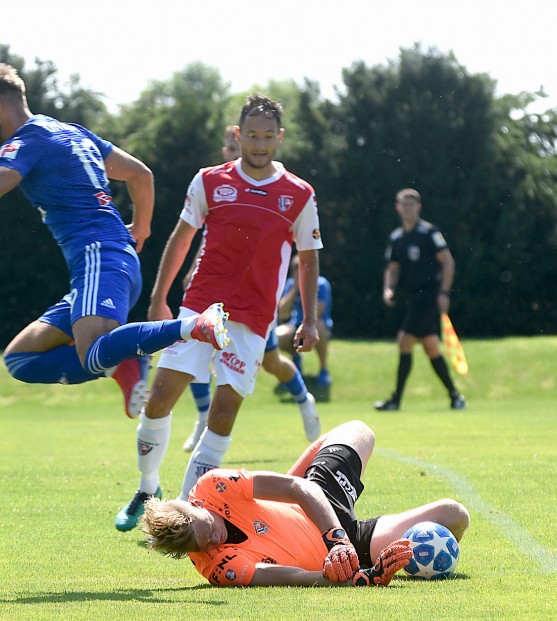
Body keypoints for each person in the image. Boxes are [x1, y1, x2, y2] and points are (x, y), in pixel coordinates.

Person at [0, 64, 229, 419]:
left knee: (93, 351)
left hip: (99, 259)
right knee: (21, 359)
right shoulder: (71, 132)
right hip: (107, 262)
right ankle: (120, 364)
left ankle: (193, 326)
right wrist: (141, 227)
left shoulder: (29, 140)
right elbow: (140, 175)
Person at [114, 94, 323, 531]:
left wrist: (308, 318)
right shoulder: (209, 181)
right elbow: (181, 238)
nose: (260, 143)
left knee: (223, 413)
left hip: (254, 318)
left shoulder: (299, 194)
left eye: (268, 136)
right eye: (252, 135)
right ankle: (147, 487)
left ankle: (186, 509)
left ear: (279, 138)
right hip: (199, 307)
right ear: (238, 135)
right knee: (159, 399)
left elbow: (308, 256)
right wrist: (159, 298)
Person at [140, 419, 470, 587]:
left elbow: (298, 487)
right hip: (353, 550)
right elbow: (297, 577)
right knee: (455, 517)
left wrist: (335, 538)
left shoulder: (213, 486)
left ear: (195, 504)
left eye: (209, 529)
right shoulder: (219, 568)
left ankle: (306, 501)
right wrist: (362, 576)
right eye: (204, 545)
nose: (214, 540)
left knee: (359, 430)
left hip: (319, 503)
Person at [181, 126, 320, 454]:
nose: (232, 152)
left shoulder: (280, 191)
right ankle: (203, 418)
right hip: (214, 293)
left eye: (234, 147)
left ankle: (304, 401)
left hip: (254, 301)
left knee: (274, 363)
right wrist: (190, 274)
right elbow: (206, 243)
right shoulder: (218, 185)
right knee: (192, 353)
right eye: (228, 148)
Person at [374, 189, 465, 411]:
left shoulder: (429, 233)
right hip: (412, 297)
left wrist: (444, 293)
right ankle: (455, 396)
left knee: (404, 340)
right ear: (398, 208)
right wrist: (388, 288)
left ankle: (396, 400)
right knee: (431, 347)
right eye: (404, 205)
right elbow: (393, 268)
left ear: (419, 207)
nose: (408, 208)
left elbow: (448, 262)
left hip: (429, 296)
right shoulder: (396, 238)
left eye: (412, 205)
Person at [277, 253, 334, 388]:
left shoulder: (321, 284)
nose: (299, 272)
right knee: (277, 335)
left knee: (318, 325)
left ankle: (324, 370)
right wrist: (295, 289)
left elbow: (318, 312)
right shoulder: (291, 285)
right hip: (295, 326)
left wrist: (306, 289)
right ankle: (295, 358)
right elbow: (281, 313)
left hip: (317, 328)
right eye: (296, 269)